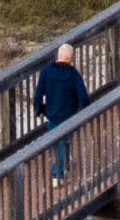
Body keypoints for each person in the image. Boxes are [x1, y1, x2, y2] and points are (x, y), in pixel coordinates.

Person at [35, 41, 90, 177]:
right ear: (70, 58)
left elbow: (39, 92)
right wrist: (86, 108)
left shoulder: (46, 71)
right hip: (69, 114)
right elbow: (82, 95)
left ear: (58, 55)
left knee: (57, 142)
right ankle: (57, 174)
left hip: (51, 113)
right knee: (63, 142)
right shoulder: (73, 74)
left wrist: (39, 109)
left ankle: (63, 164)